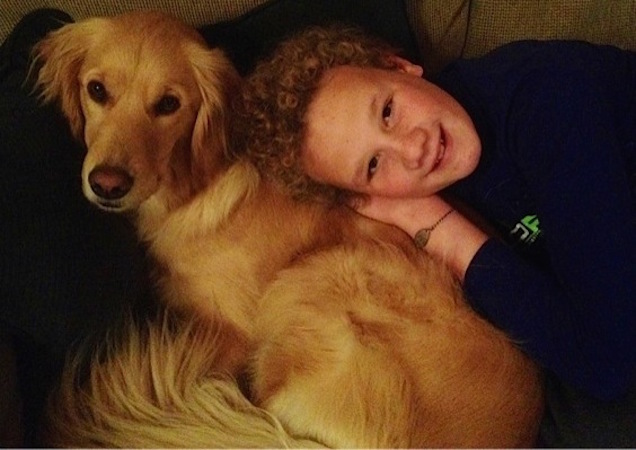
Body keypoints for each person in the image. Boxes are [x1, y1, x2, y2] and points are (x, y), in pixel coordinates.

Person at [233, 25, 636, 446]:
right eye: (373, 165)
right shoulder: (437, 177)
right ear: (363, 197)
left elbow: (608, 364)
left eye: (388, 111)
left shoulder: (545, 100)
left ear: (401, 67)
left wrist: (441, 227)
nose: (413, 148)